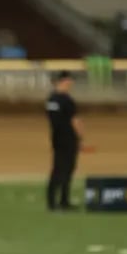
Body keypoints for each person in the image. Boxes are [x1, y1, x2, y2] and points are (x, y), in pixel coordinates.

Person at [45, 70, 83, 211]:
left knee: (60, 169)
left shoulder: (51, 99)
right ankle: (61, 201)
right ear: (64, 81)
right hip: (68, 139)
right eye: (69, 81)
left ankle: (56, 201)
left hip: (57, 138)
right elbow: (75, 120)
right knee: (65, 170)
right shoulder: (67, 100)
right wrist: (80, 137)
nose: (71, 83)